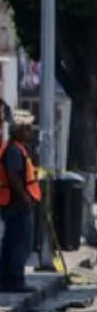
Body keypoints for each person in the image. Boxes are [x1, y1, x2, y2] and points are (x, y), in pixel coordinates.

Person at [0, 121, 41, 293]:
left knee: (13, 242)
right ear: (18, 131)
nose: (30, 132)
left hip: (15, 203)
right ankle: (14, 280)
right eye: (27, 129)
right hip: (16, 204)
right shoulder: (14, 151)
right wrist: (24, 196)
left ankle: (8, 279)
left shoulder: (17, 149)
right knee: (19, 243)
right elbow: (13, 176)